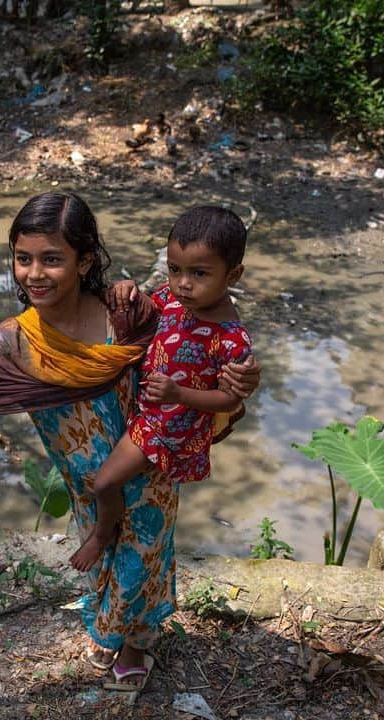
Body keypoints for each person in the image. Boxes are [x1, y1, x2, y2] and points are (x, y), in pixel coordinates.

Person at [0, 192, 261, 692]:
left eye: (52, 259)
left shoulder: (123, 314)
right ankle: (116, 629)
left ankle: (137, 642)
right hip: (86, 484)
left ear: (84, 262)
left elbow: (204, 353)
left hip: (150, 471)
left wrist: (244, 382)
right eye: (23, 258)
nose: (34, 273)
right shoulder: (14, 344)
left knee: (141, 562)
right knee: (100, 564)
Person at [68, 206, 252, 588]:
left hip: (167, 428)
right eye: (175, 269)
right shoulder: (173, 297)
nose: (183, 283)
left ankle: (102, 534)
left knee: (105, 483)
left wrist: (178, 393)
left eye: (199, 273)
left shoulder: (232, 338)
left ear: (233, 275)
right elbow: (148, 305)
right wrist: (128, 289)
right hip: (143, 408)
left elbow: (229, 401)